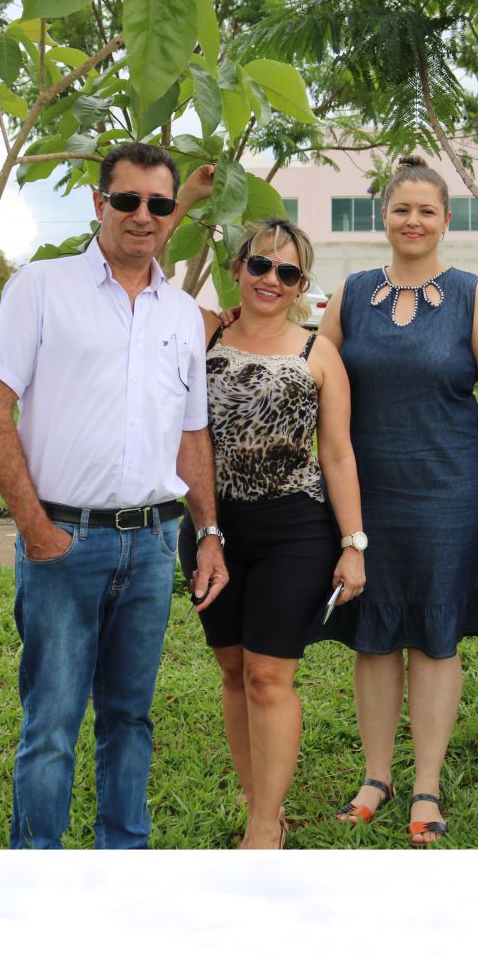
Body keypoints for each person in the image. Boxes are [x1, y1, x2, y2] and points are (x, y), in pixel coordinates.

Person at [0, 142, 223, 848]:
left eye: (159, 203)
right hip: (61, 544)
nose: (142, 215)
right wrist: (37, 531)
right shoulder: (40, 287)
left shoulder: (180, 314)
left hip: (148, 548)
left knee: (129, 718)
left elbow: (192, 434)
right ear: (97, 204)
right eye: (127, 200)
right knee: (50, 723)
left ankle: (121, 862)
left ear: (172, 214)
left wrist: (208, 534)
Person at [314, 154, 478, 843]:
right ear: (384, 216)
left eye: (425, 210)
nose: (412, 220)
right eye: (400, 208)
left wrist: (445, 437)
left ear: (445, 220)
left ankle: (425, 786)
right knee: (372, 638)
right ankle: (375, 776)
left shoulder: (473, 295)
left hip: (446, 495)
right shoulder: (349, 295)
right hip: (365, 496)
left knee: (434, 638)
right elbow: (319, 383)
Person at [191, 218, 367, 847]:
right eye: (260, 265)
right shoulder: (203, 331)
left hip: (295, 528)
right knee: (234, 673)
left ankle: (265, 827)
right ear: (237, 268)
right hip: (212, 527)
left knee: (269, 677)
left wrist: (353, 544)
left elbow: (338, 454)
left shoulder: (317, 353)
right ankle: (257, 800)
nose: (271, 279)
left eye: (287, 272)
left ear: (301, 285)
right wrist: (187, 200)